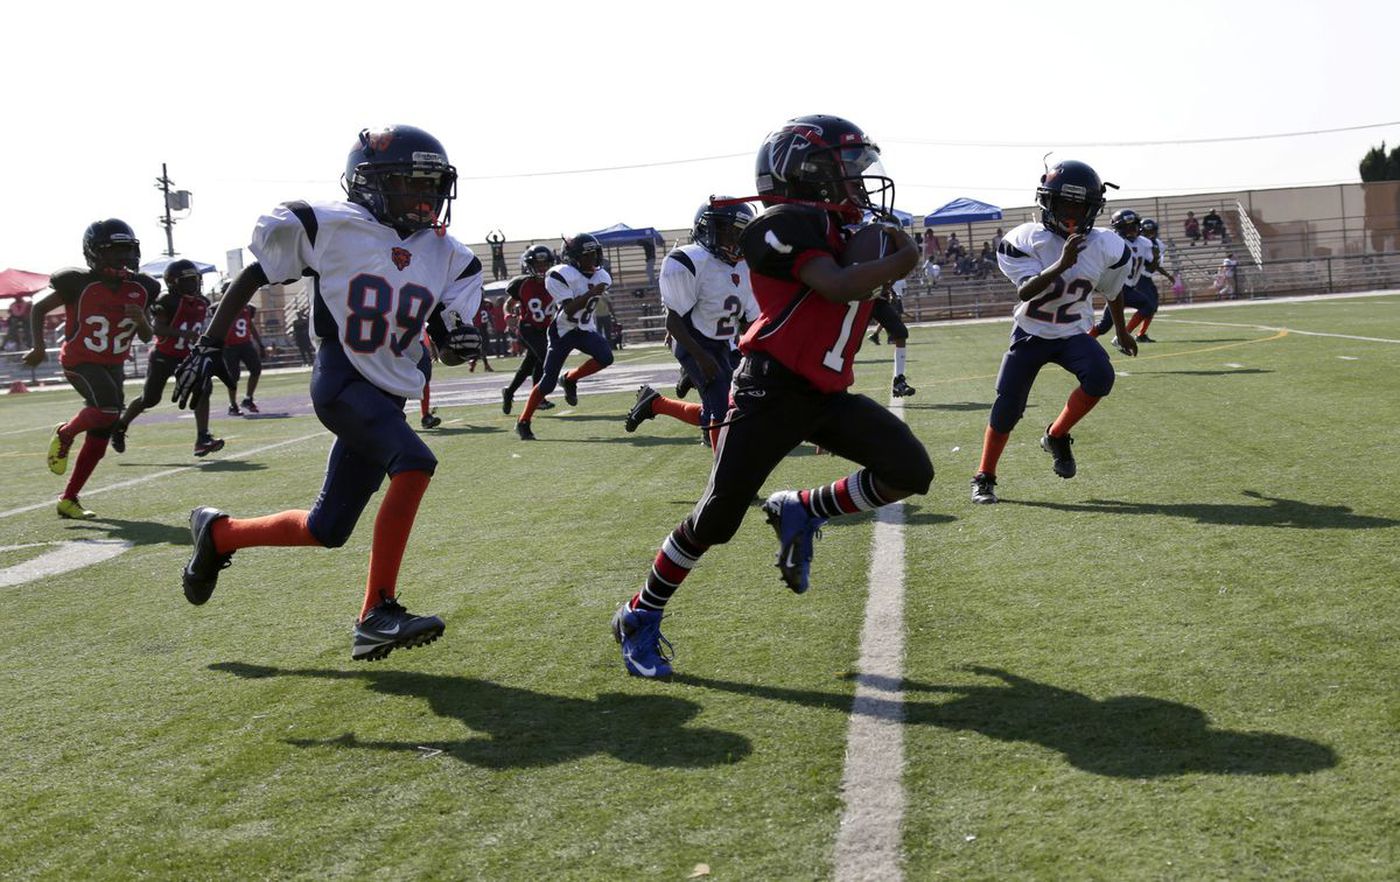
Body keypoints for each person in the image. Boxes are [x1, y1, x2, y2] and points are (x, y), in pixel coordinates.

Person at [610, 114, 930, 679]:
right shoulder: (775, 226)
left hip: (826, 392)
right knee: (717, 519)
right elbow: (832, 284)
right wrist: (901, 260)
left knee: (908, 469)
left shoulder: (843, 228)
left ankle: (803, 509)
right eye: (847, 173)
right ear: (805, 176)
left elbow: (855, 296)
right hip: (769, 389)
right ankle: (639, 614)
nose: (859, 185)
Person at [172, 125, 484, 662]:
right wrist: (209, 344)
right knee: (414, 461)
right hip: (341, 378)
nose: (423, 198)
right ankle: (376, 612)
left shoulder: (450, 255)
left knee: (327, 528)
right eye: (409, 185)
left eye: (431, 186)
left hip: (388, 395)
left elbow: (449, 351)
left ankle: (219, 534)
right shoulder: (333, 225)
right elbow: (255, 274)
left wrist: (458, 341)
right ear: (370, 183)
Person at [969, 160, 1137, 506]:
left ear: (1093, 209)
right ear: (1048, 202)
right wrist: (1061, 263)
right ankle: (984, 476)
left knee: (1101, 376)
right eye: (1064, 204)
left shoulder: (1108, 245)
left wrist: (1120, 333)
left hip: (1072, 333)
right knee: (1007, 407)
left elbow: (1113, 291)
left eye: (1080, 205)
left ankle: (1057, 435)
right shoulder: (1026, 239)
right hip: (1031, 333)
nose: (1071, 212)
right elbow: (1026, 291)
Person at [22, 219, 156, 519]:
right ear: (94, 253)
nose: (123, 258)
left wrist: (141, 320)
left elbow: (148, 336)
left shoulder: (143, 287)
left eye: (127, 250)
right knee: (108, 409)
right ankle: (66, 433)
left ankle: (68, 499)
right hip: (80, 361)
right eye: (114, 251)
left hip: (113, 363)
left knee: (102, 428)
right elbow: (39, 308)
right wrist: (40, 347)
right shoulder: (76, 282)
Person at [624, 199, 759, 448]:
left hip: (724, 342)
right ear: (707, 229)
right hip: (694, 341)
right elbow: (673, 321)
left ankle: (654, 403)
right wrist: (700, 357)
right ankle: (724, 480)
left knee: (732, 405)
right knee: (722, 410)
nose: (734, 240)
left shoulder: (746, 267)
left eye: (740, 233)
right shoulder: (692, 261)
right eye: (728, 231)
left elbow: (750, 320)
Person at [110, 259, 226, 457]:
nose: (194, 284)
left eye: (195, 280)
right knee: (150, 399)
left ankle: (203, 438)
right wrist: (183, 334)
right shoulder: (166, 300)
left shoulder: (202, 302)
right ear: (173, 282)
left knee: (203, 388)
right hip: (164, 355)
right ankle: (120, 426)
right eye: (188, 280)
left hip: (188, 356)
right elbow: (157, 328)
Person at [513, 233, 614, 441]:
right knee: (547, 382)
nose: (593, 258)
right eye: (588, 255)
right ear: (574, 257)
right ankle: (523, 421)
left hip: (585, 329)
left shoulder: (601, 275)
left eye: (595, 253)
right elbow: (568, 310)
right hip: (563, 332)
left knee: (606, 356)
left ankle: (569, 379)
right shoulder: (560, 274)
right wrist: (590, 293)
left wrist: (593, 291)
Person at [501, 244, 557, 415]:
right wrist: (507, 316)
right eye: (538, 265)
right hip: (528, 328)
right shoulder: (522, 284)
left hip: (545, 328)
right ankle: (539, 397)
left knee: (529, 365)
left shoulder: (555, 282)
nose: (542, 268)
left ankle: (509, 392)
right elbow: (509, 304)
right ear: (530, 266)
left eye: (545, 264)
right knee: (544, 357)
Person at [1089, 209, 1156, 343]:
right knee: (1148, 306)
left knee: (1104, 326)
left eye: (1134, 226)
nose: (1132, 230)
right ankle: (1122, 337)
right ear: (1119, 228)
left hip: (1129, 287)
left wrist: (1156, 256)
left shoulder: (1144, 243)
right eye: (1127, 227)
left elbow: (1150, 267)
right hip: (1117, 286)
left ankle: (1085, 342)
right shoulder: (1114, 242)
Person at [865, 277, 917, 397]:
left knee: (901, 332)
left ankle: (899, 381)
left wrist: (889, 287)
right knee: (850, 339)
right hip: (858, 298)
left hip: (878, 299)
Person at [1128, 218, 1176, 341]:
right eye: (1146, 231)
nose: (1150, 234)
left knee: (1152, 308)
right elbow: (1150, 266)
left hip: (1147, 278)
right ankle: (1124, 333)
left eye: (1152, 231)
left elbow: (1155, 265)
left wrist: (1167, 274)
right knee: (1147, 307)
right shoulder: (1141, 244)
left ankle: (1141, 334)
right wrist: (1155, 259)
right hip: (1139, 278)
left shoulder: (1157, 244)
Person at [222, 297, 263, 414]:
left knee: (256, 369)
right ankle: (232, 404)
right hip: (229, 346)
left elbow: (250, 325)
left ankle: (248, 399)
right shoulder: (222, 307)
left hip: (245, 344)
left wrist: (259, 343)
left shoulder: (247, 307)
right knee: (233, 377)